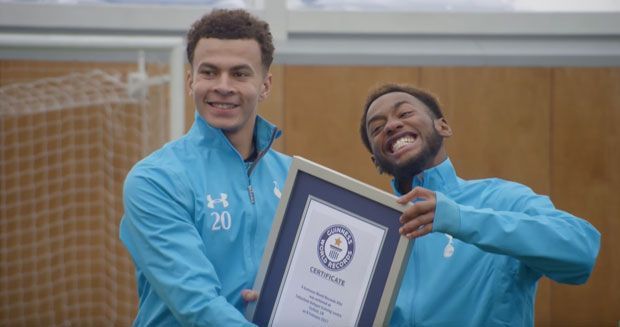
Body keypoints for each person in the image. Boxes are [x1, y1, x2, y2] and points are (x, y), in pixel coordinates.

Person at [359, 83, 601, 326]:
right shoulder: (370, 233)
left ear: (443, 126)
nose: (391, 125)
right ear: (375, 160)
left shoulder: (503, 199)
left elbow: (581, 253)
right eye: (378, 128)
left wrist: (461, 219)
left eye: (405, 113)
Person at [119, 9, 291, 326]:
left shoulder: (293, 178)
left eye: (240, 74)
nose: (222, 86)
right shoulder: (155, 180)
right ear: (191, 81)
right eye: (209, 72)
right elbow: (197, 305)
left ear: (265, 85)